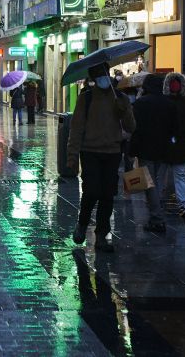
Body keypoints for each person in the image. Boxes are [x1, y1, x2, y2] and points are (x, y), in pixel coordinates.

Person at [66, 62, 136, 253]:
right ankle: (82, 224)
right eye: (98, 75)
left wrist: (124, 110)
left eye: (104, 73)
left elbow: (131, 127)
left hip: (112, 153)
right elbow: (76, 128)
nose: (102, 78)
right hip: (90, 152)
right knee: (91, 192)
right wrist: (72, 157)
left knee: (108, 195)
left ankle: (101, 236)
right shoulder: (86, 98)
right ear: (94, 79)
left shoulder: (120, 98)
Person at [129, 74, 171, 232]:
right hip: (163, 149)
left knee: (149, 184)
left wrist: (132, 150)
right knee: (157, 182)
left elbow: (135, 129)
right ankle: (156, 214)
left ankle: (157, 218)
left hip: (145, 149)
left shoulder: (141, 104)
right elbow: (173, 127)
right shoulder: (169, 103)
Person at [164, 72, 185, 217]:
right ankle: (182, 204)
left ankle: (181, 204)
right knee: (178, 175)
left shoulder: (182, 103)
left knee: (171, 175)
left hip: (177, 144)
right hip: (174, 144)